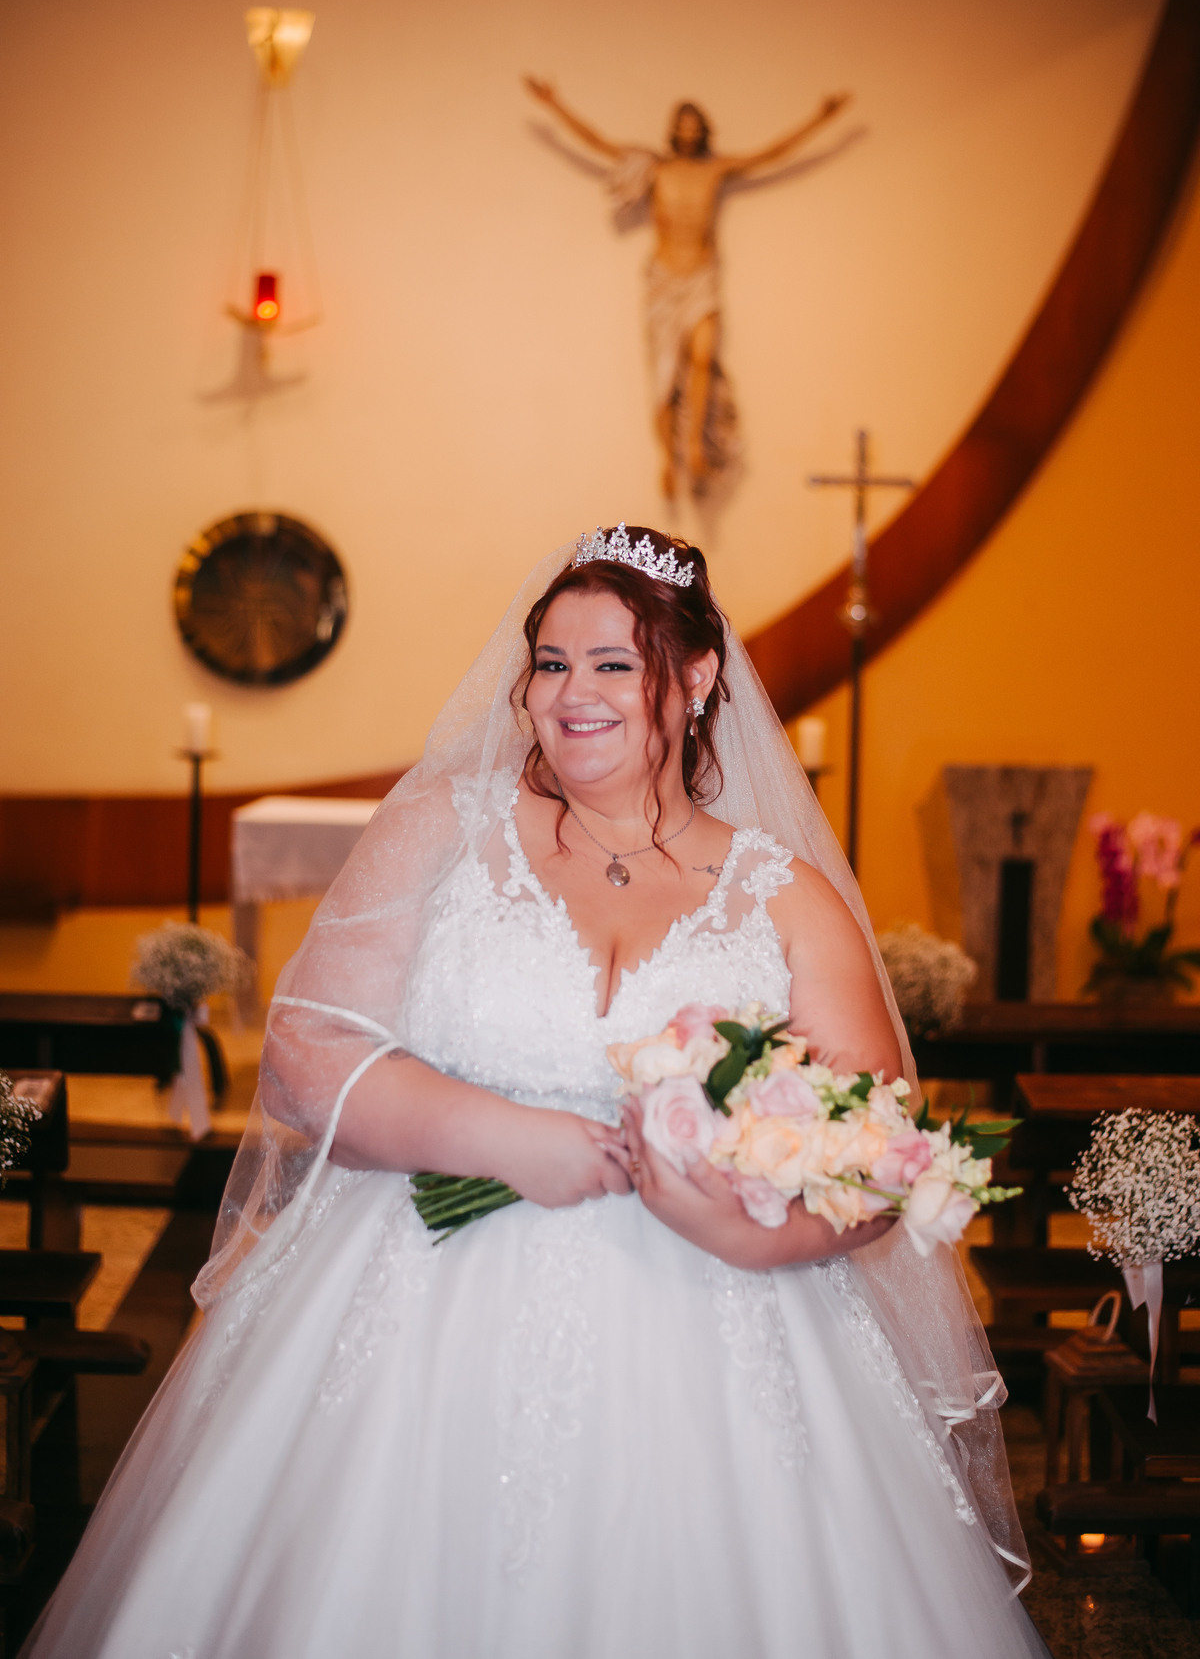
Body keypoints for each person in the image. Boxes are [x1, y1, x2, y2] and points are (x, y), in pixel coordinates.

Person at [23, 525, 1048, 1659]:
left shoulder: (785, 896)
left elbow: (879, 1155)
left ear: (698, 677)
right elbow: (305, 1053)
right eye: (552, 663)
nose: (573, 693)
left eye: (614, 662)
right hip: (419, 1289)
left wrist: (745, 1233)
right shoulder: (442, 829)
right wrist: (509, 1138)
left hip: (724, 1321)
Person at [524, 81, 850, 498]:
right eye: (683, 123)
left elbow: (771, 155)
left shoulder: (716, 169)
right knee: (662, 378)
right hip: (663, 281)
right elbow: (598, 144)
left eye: (696, 124)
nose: (689, 130)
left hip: (701, 278)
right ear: (674, 129)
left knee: (702, 358)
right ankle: (667, 458)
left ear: (703, 130)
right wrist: (555, 105)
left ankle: (694, 445)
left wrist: (821, 119)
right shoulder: (655, 168)